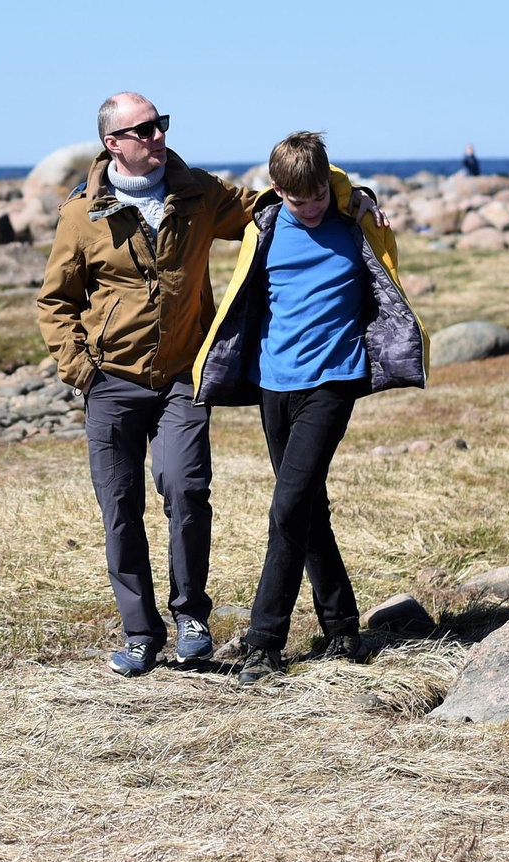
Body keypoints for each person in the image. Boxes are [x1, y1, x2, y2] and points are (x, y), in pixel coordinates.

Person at [193, 131, 428, 684]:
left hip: (335, 381)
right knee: (306, 507)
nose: (314, 205)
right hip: (275, 384)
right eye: (301, 199)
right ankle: (343, 627)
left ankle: (264, 643)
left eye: (321, 191)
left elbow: (378, 262)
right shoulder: (265, 228)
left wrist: (357, 193)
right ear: (278, 191)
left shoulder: (355, 221)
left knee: (286, 507)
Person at [37, 92, 255, 676]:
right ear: (113, 143)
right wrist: (82, 371)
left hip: (183, 378)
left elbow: (271, 209)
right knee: (120, 509)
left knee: (185, 489)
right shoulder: (81, 214)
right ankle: (140, 631)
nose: (157, 136)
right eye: (144, 130)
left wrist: (346, 194)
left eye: (161, 125)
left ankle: (192, 616)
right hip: (110, 384)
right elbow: (56, 302)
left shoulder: (199, 192)